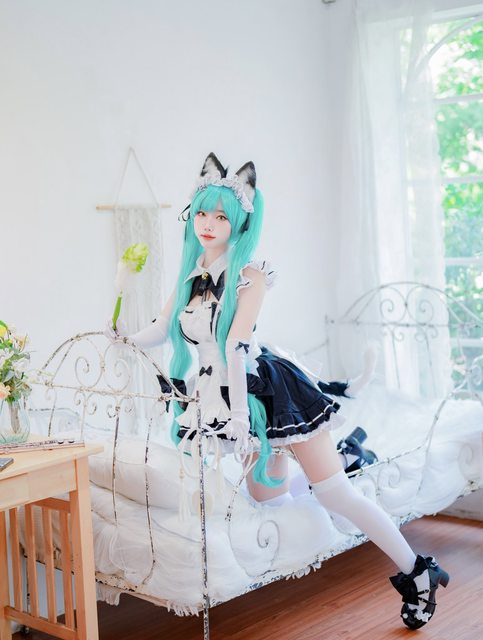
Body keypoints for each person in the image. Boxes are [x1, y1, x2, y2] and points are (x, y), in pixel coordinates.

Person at [107, 152, 449, 630]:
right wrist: (124, 336)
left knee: (336, 494)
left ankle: (418, 571)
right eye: (202, 213)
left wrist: (241, 419)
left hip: (264, 392)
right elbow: (162, 329)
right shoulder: (190, 277)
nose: (208, 224)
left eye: (221, 216)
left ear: (240, 222)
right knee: (269, 499)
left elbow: (235, 345)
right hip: (220, 393)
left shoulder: (250, 275)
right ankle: (347, 456)